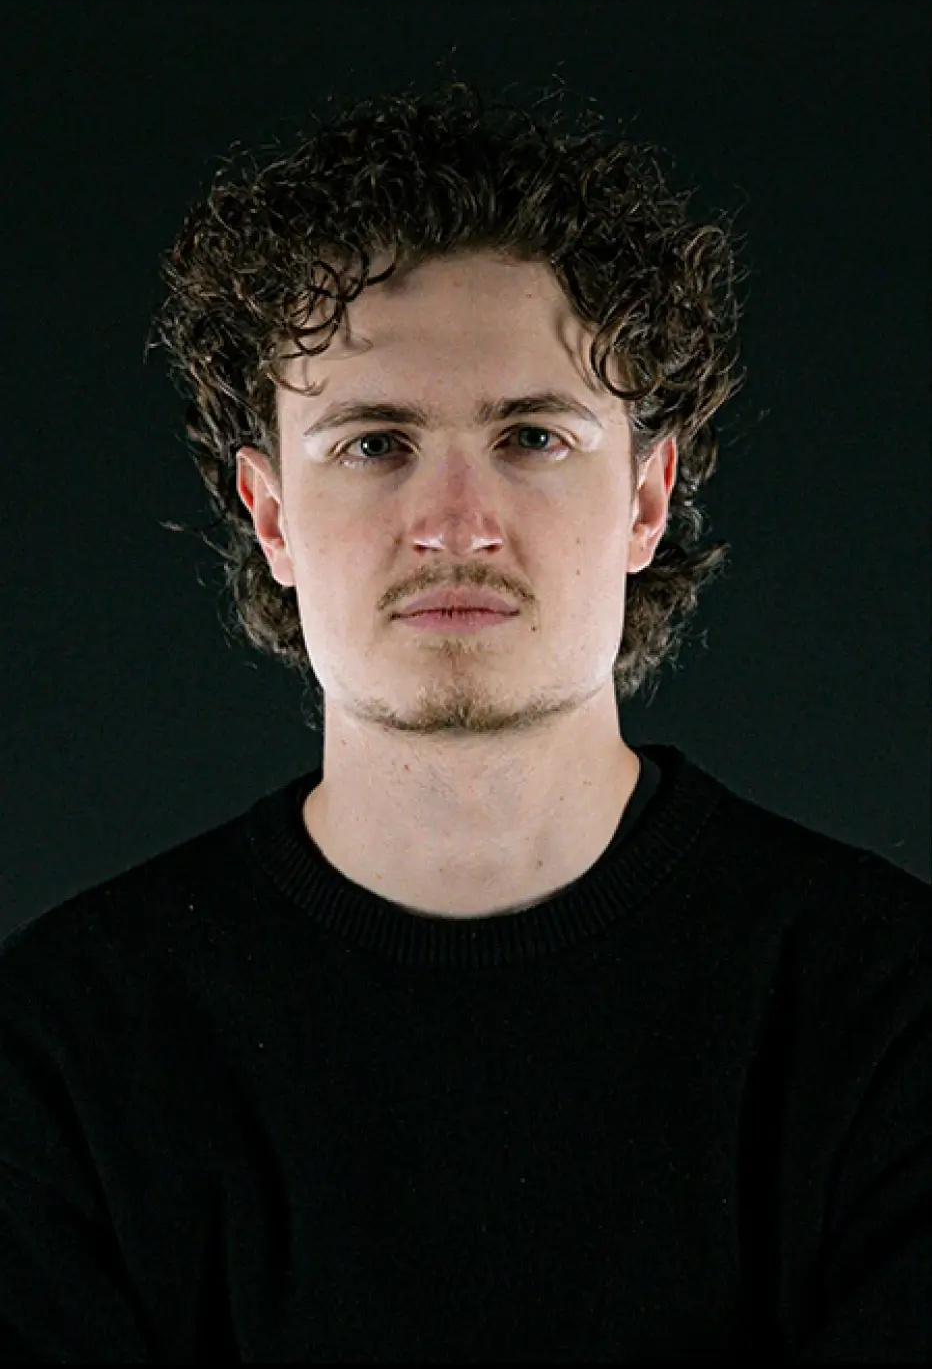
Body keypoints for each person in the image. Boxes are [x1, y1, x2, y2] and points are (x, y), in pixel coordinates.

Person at [1, 77, 928, 1363]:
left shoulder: (888, 1009)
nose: (453, 524)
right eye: (372, 443)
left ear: (645, 498)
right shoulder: (61, 1046)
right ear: (271, 517)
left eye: (532, 437)